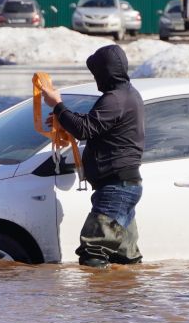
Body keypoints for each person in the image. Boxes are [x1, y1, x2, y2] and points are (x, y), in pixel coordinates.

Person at [39, 44, 145, 267]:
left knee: (92, 253)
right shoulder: (127, 95)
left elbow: (85, 129)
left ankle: (96, 302)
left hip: (116, 188)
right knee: (123, 258)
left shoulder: (116, 98)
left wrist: (57, 105)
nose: (95, 78)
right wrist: (65, 120)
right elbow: (95, 125)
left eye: (96, 73)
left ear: (105, 72)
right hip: (124, 187)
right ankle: (126, 300)